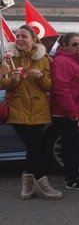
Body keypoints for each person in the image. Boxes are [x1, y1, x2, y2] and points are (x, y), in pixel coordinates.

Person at [0, 25, 62, 199]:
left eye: (23, 36)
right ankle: (44, 184)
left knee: (32, 148)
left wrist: (41, 77)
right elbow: (1, 83)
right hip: (16, 109)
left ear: (33, 39)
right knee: (35, 147)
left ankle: (27, 185)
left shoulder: (43, 59)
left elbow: (50, 86)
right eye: (17, 36)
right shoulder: (8, 58)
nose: (19, 39)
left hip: (39, 109)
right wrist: (11, 80)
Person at [50, 32, 79, 190]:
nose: (78, 47)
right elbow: (61, 90)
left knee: (75, 145)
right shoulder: (61, 62)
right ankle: (72, 179)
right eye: (74, 44)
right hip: (67, 114)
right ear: (64, 46)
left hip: (78, 112)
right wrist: (72, 112)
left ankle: (74, 173)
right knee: (72, 146)